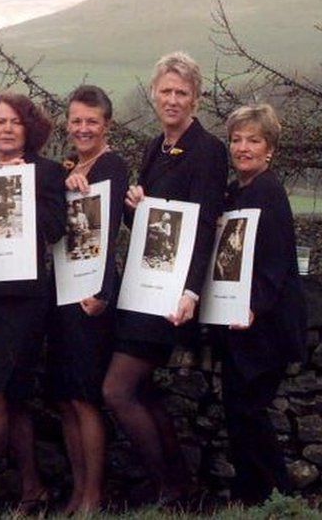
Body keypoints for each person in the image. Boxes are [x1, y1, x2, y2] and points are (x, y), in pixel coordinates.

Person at [104, 51, 228, 504]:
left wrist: (192, 291)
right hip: (144, 286)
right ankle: (181, 490)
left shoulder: (210, 151)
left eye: (182, 92)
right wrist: (134, 208)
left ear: (195, 98)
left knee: (116, 390)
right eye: (166, 91)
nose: (172, 99)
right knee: (144, 391)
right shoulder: (154, 146)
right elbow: (153, 227)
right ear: (154, 95)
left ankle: (169, 487)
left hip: (173, 295)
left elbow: (204, 225)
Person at [0, 91, 66, 512]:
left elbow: (56, 229)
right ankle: (32, 488)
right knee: (14, 397)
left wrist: (17, 188)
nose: (6, 129)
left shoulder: (45, 173)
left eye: (15, 123)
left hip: (25, 300)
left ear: (30, 130)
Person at [214, 104, 306, 504]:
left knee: (248, 411)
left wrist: (254, 306)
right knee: (238, 411)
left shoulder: (269, 191)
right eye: (237, 139)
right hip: (238, 322)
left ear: (269, 149)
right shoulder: (237, 191)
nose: (243, 147)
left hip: (263, 325)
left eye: (253, 140)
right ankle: (252, 495)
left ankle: (278, 496)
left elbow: (277, 260)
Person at [48, 85, 129, 514]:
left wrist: (102, 294)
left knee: (84, 396)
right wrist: (66, 184)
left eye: (91, 121)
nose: (83, 128)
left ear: (106, 125)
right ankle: (78, 489)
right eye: (77, 120)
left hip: (91, 296)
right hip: (60, 291)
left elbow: (111, 232)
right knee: (64, 397)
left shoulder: (112, 166)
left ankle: (93, 496)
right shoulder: (69, 167)